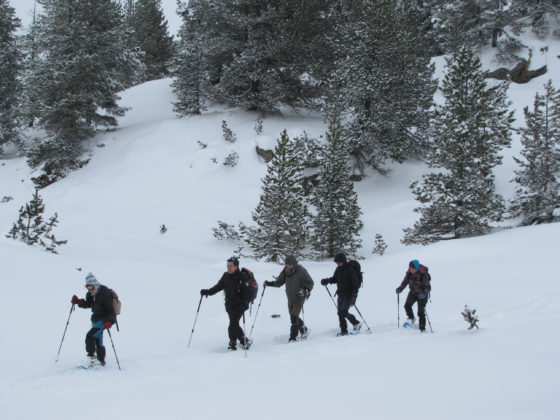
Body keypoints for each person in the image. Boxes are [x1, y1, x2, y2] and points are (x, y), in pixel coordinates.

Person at [200, 257, 255, 351]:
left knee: (233, 324)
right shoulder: (226, 276)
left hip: (240, 305)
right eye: (227, 266)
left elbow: (249, 293)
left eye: (230, 266)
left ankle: (232, 343)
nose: (228, 268)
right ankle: (243, 340)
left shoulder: (242, 277)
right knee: (235, 323)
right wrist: (208, 292)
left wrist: (245, 303)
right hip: (229, 305)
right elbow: (218, 287)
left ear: (236, 266)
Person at [264, 255, 314, 342]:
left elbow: (310, 282)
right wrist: (270, 283)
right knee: (293, 316)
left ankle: (293, 338)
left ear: (294, 263)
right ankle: (304, 329)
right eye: (287, 264)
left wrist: (306, 290)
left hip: (299, 297)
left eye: (290, 264)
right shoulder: (286, 270)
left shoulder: (301, 271)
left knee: (294, 318)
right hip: (290, 297)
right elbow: (280, 281)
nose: (288, 266)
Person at [71, 273, 116, 366]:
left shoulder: (104, 293)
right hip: (95, 320)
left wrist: (110, 322)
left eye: (91, 288)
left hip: (103, 321)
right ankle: (101, 360)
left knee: (90, 336)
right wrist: (78, 301)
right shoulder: (91, 294)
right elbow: (88, 304)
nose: (90, 290)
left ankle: (91, 357)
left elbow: (111, 311)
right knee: (98, 339)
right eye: (88, 288)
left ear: (95, 285)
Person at [320, 253, 361, 336]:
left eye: (339, 262)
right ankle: (344, 330)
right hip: (340, 293)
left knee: (343, 311)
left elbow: (355, 284)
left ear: (343, 261)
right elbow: (335, 279)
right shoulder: (338, 269)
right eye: (337, 262)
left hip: (349, 294)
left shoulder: (350, 269)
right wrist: (326, 281)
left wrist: (354, 295)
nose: (338, 264)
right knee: (340, 312)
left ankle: (356, 323)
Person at [396, 259, 431, 332]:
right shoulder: (409, 273)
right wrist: (400, 288)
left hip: (422, 295)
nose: (411, 270)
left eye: (413, 268)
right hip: (413, 293)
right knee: (407, 306)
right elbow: (405, 282)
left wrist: (424, 293)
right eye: (410, 268)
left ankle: (422, 328)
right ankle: (411, 318)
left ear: (416, 267)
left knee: (420, 312)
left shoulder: (423, 274)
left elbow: (428, 287)